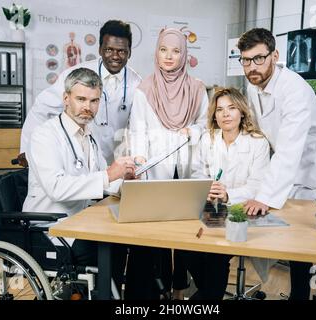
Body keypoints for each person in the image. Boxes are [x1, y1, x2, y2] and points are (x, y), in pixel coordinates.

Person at [237, 28, 316, 300]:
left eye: (259, 59)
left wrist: (264, 196)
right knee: (292, 235)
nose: (251, 67)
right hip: (287, 163)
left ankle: (302, 294)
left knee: (308, 236)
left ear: (275, 56)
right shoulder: (252, 84)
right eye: (246, 60)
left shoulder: (294, 88)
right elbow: (258, 132)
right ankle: (298, 292)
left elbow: (290, 148)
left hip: (314, 163)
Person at [22, 68, 136, 297]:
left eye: (94, 101)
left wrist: (127, 180)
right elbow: (57, 188)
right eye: (81, 99)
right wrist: (109, 175)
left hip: (81, 221)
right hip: (52, 226)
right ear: (66, 99)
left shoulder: (88, 135)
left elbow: (102, 181)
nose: (88, 107)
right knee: (108, 248)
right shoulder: (45, 135)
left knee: (126, 243)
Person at [126, 28, 209, 299]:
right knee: (156, 234)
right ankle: (158, 290)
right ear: (156, 52)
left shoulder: (197, 88)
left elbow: (206, 125)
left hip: (188, 167)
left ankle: (182, 290)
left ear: (184, 54)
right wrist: (138, 160)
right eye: (164, 50)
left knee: (186, 231)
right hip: (154, 168)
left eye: (175, 51)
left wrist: (191, 132)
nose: (169, 57)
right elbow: (137, 129)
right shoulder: (145, 89)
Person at [184, 87, 270, 299]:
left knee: (215, 254)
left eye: (231, 108)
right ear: (214, 114)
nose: (225, 114)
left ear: (242, 112)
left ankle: (206, 297)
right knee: (187, 250)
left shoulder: (258, 142)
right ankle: (209, 294)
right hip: (211, 210)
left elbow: (258, 186)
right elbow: (197, 172)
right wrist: (206, 188)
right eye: (220, 109)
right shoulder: (207, 139)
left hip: (242, 211)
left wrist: (227, 194)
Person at [20, 20, 142, 165]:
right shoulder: (75, 74)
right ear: (100, 49)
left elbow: (138, 127)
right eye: (109, 49)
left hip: (113, 159)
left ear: (129, 53)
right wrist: (28, 149)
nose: (115, 56)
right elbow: (42, 109)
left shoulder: (137, 83)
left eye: (122, 51)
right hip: (77, 154)